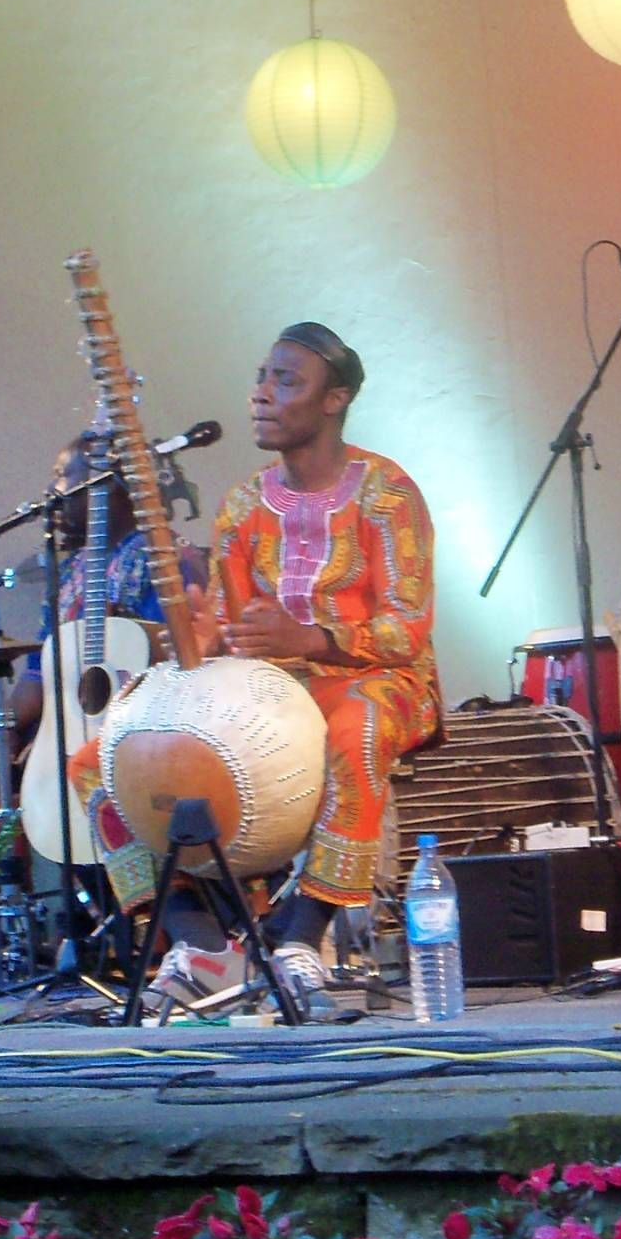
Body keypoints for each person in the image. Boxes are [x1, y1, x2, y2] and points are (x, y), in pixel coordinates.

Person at [139, 322, 441, 1018]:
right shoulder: (244, 504)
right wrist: (199, 632)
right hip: (271, 689)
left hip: (378, 680)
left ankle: (302, 936)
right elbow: (235, 627)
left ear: (334, 399)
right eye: (261, 378)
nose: (261, 395)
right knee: (109, 755)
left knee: (355, 731)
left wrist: (311, 635)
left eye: (285, 381)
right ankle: (204, 945)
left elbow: (407, 629)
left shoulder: (387, 494)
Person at [0, 431, 206, 924]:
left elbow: (181, 661)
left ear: (105, 485)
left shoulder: (167, 560)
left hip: (139, 734)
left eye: (62, 478)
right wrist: (7, 725)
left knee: (81, 772)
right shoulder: (72, 571)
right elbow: (39, 672)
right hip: (63, 727)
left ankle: (130, 922)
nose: (53, 494)